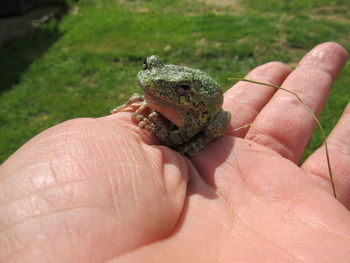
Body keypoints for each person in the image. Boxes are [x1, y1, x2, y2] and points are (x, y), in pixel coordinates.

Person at [1, 42, 349, 262]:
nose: (150, 80)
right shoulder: (157, 87)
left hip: (206, 117)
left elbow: (182, 135)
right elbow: (154, 87)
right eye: (148, 67)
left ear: (185, 93)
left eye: (178, 88)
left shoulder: (190, 108)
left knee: (209, 128)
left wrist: (164, 132)